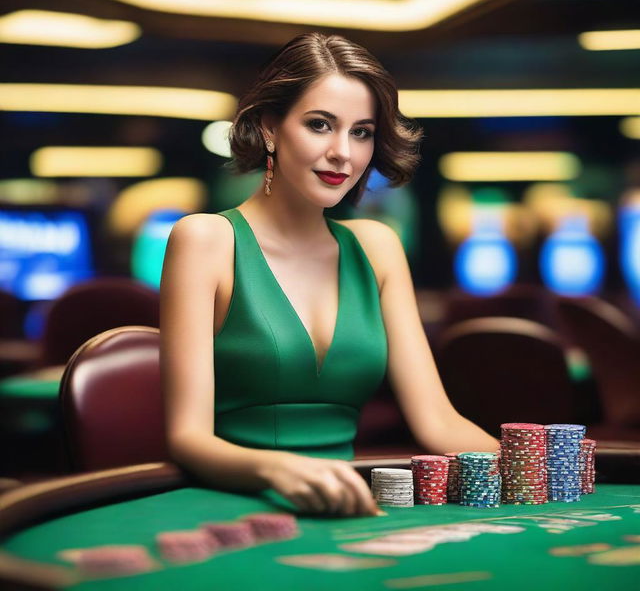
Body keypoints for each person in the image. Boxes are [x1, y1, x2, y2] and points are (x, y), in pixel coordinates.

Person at [159, 32, 499, 519]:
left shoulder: (377, 247)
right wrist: (279, 469)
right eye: (320, 125)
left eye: (361, 132)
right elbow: (187, 438)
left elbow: (438, 422)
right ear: (269, 128)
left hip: (346, 507)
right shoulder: (206, 240)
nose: (344, 152)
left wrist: (536, 466)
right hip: (232, 508)